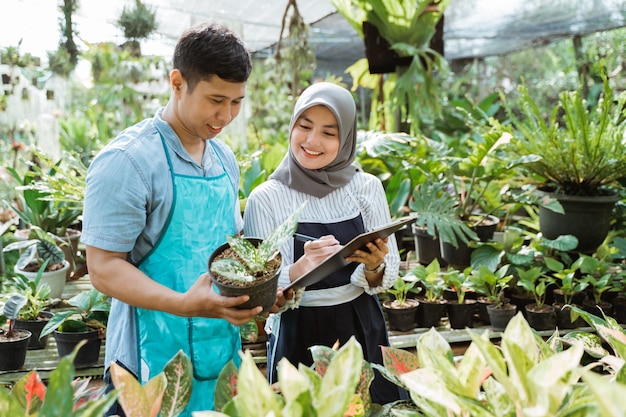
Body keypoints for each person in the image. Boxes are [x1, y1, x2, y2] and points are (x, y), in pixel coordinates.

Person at [81, 22, 289, 416]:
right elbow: (103, 268)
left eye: (236, 102)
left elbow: (230, 251)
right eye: (215, 100)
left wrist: (266, 290)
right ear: (177, 83)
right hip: (150, 366)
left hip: (218, 359)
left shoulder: (224, 160)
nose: (226, 115)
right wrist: (183, 304)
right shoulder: (128, 162)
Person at [243, 82, 405, 404]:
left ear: (345, 138)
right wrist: (300, 269)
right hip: (297, 329)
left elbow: (386, 276)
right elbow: (259, 291)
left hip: (361, 324)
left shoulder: (366, 188)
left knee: (373, 407)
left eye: (329, 133)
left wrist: (373, 266)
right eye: (304, 127)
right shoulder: (266, 198)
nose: (312, 141)